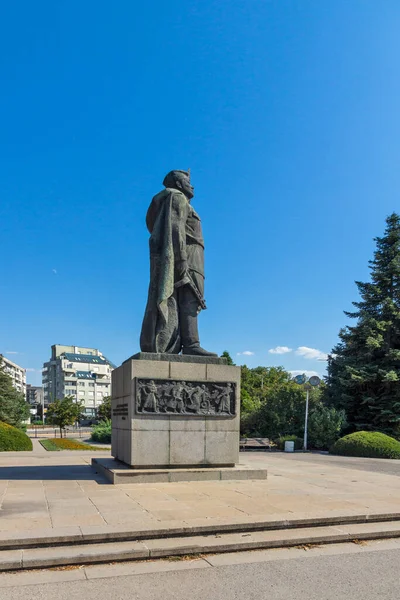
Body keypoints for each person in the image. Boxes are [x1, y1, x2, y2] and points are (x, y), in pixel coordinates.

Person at [140, 169, 217, 356]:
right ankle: (191, 343)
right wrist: (181, 259)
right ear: (179, 184)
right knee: (190, 298)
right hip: (188, 257)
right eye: (187, 181)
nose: (192, 185)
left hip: (191, 256)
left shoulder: (173, 199)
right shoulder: (177, 197)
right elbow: (175, 229)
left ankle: (183, 342)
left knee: (187, 300)